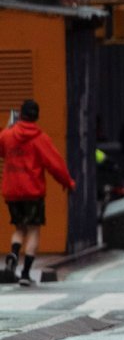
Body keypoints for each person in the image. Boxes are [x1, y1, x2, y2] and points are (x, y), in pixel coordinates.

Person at [2, 100, 76, 287]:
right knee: (34, 230)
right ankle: (26, 273)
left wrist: (7, 129)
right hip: (33, 191)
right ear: (36, 116)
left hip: (12, 190)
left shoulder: (8, 135)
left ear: (21, 114)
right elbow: (55, 164)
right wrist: (68, 183)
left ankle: (13, 254)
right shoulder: (40, 139)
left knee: (19, 228)